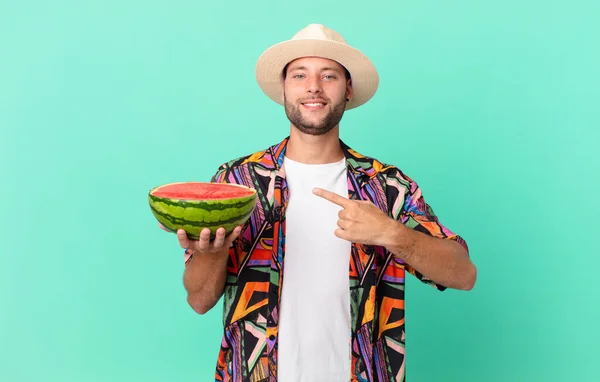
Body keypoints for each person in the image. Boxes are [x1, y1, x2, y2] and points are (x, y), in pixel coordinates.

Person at [166, 24, 477, 382]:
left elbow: (464, 274)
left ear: (348, 90)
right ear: (284, 88)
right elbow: (199, 300)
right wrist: (213, 253)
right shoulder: (238, 181)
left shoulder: (386, 185)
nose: (313, 86)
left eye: (328, 75)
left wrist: (393, 233)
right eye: (300, 75)